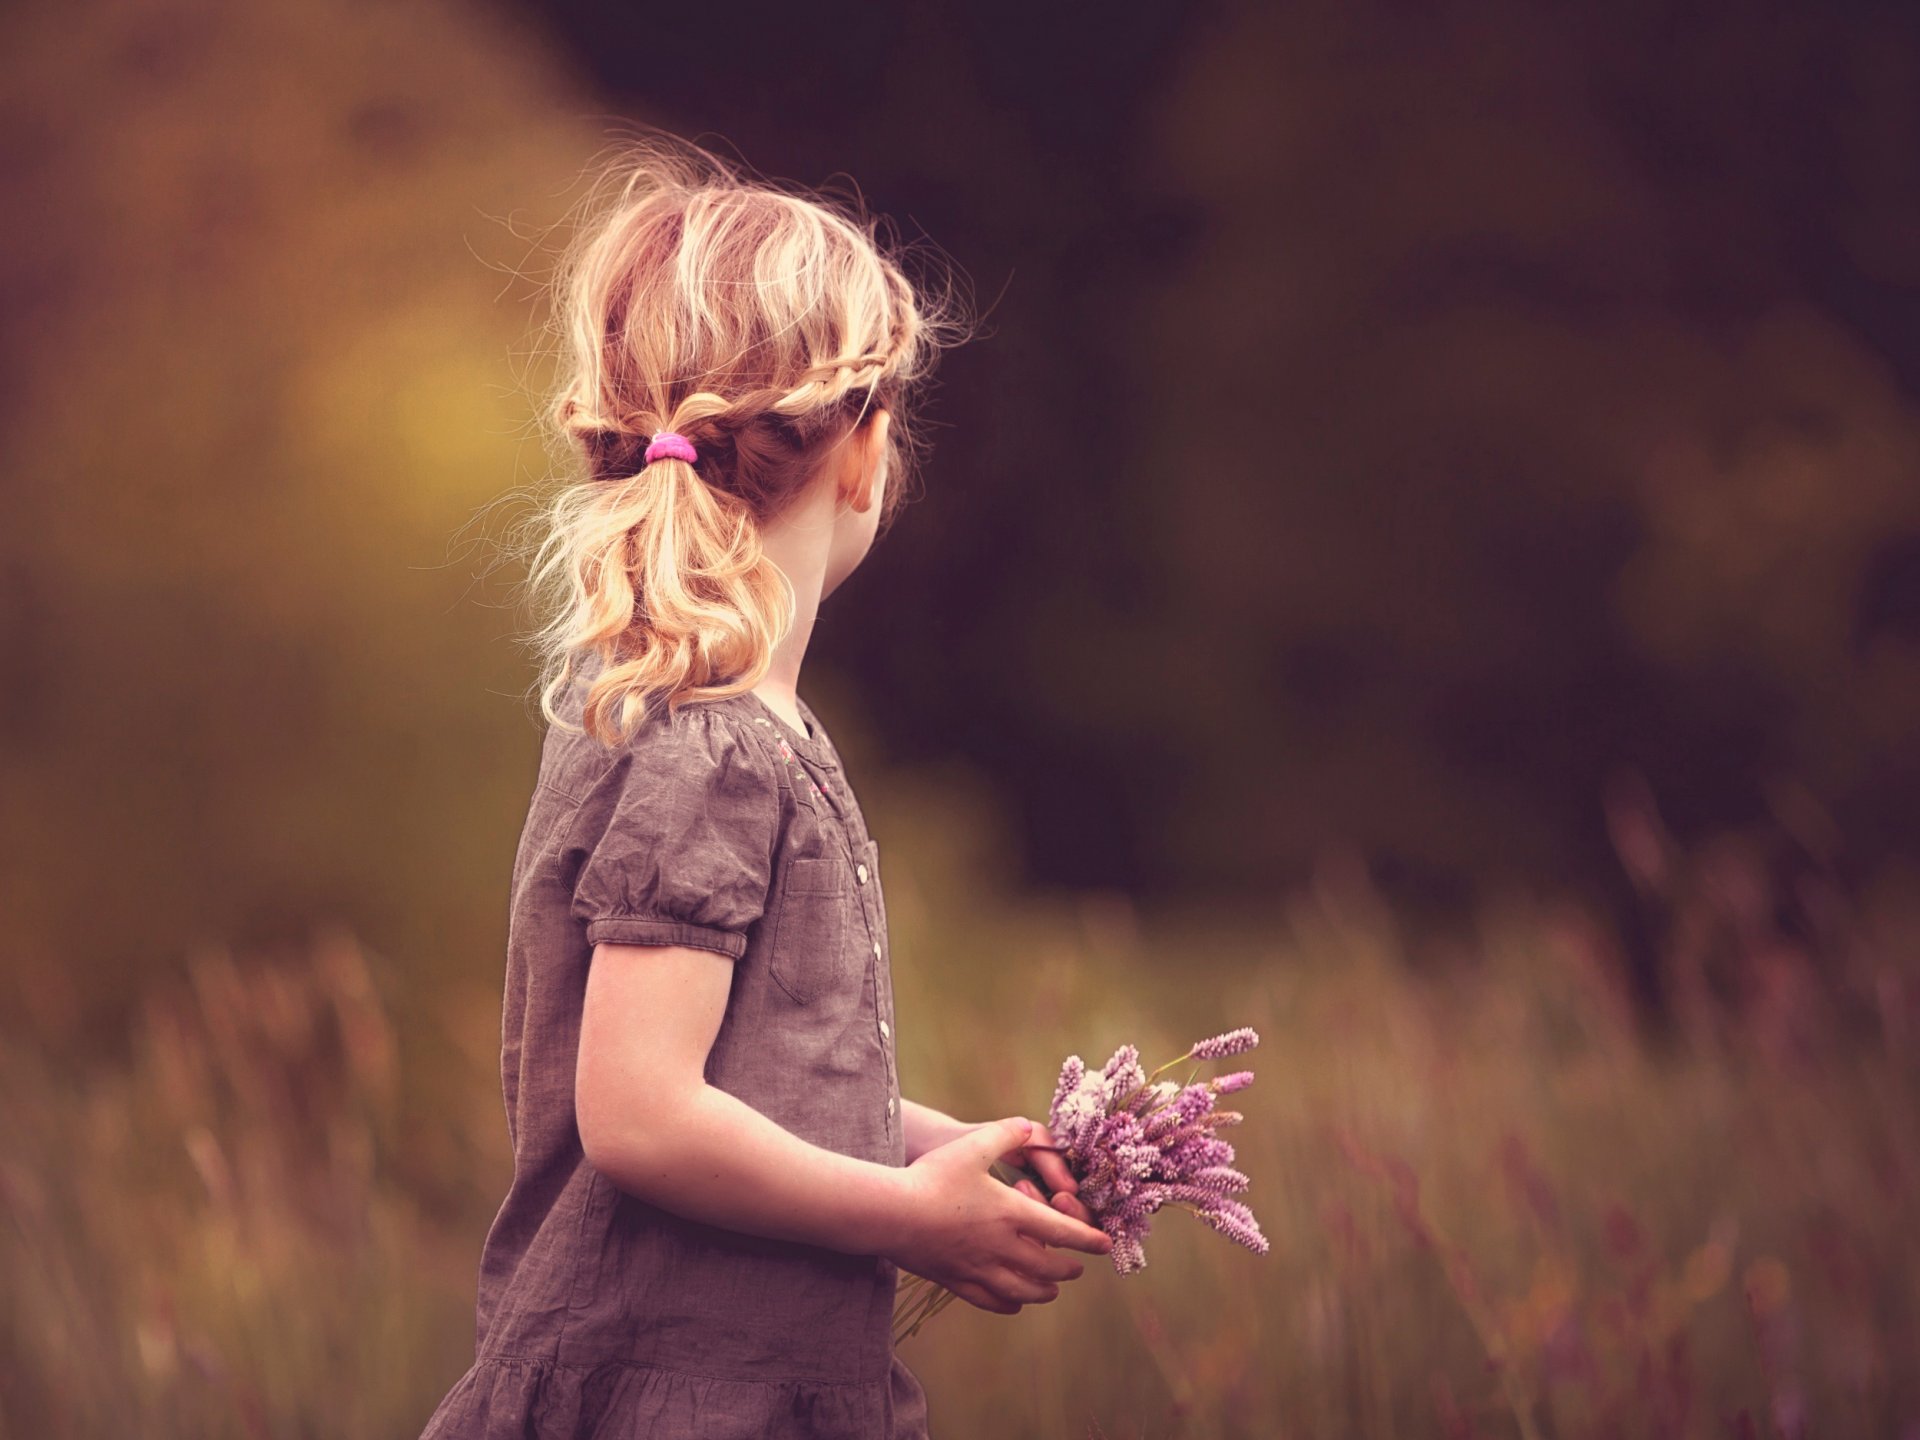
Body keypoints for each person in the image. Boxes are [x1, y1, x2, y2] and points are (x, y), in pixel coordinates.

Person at [417, 132, 1113, 1440]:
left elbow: (742, 1075)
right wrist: (914, 1218)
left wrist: (945, 1156)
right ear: (862, 447)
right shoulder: (708, 741)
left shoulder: (710, 720)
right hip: (669, 1400)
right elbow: (638, 1111)